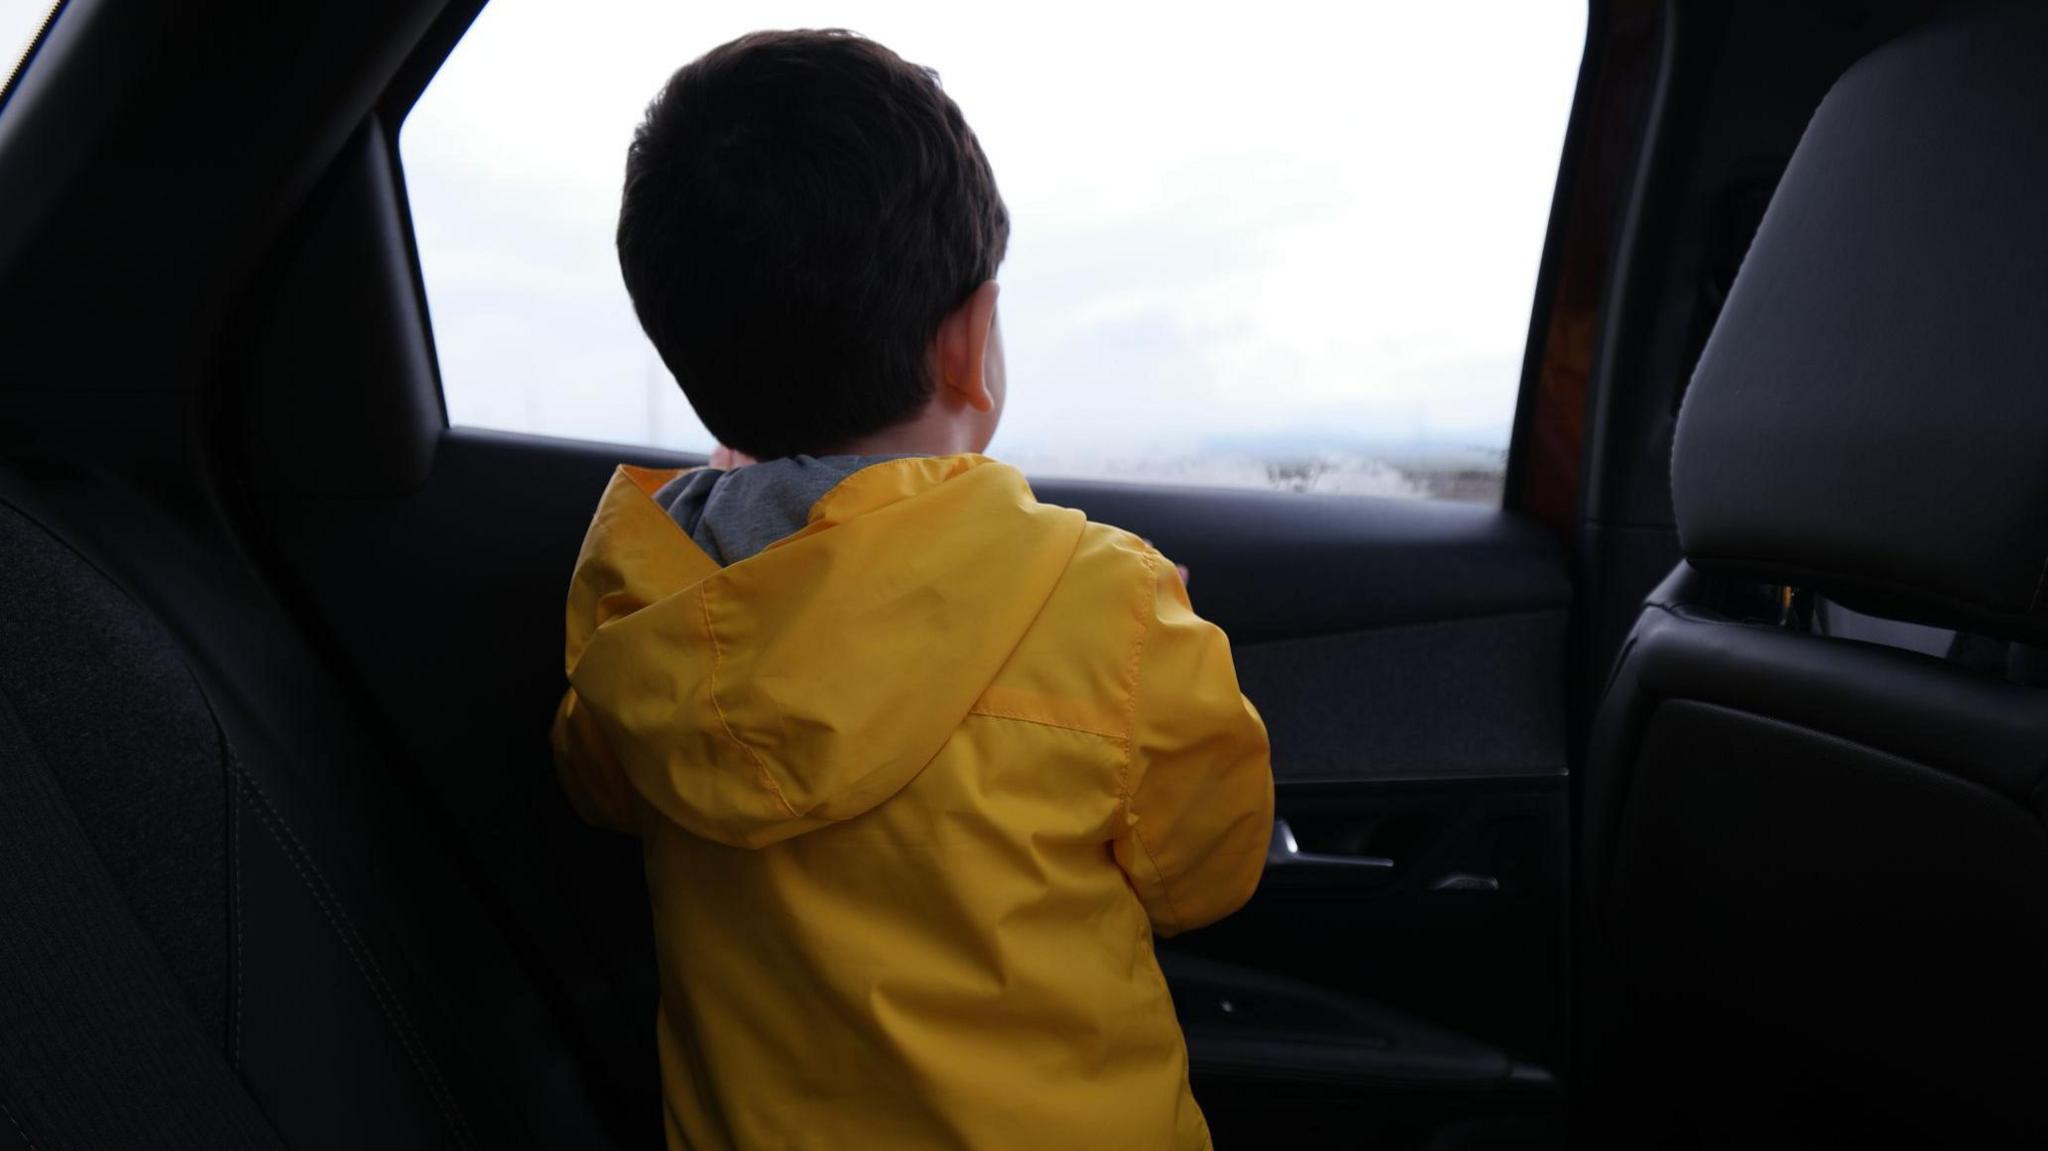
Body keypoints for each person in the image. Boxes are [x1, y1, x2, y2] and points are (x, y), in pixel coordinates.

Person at [551, 28, 1272, 1151]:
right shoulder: (1107, 607)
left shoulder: (643, 601)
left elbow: (600, 775)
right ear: (969, 343)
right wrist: (1172, 641)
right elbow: (1202, 873)